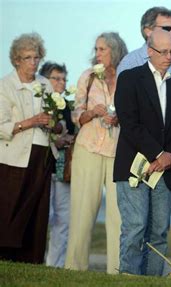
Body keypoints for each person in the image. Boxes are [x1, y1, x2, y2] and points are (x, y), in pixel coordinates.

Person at [114, 29, 171, 276]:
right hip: (133, 166)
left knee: (159, 232)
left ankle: (152, 281)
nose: (168, 57)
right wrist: (157, 153)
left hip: (165, 170)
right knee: (135, 227)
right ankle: (128, 278)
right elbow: (128, 121)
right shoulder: (129, 78)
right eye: (163, 52)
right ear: (149, 51)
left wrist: (168, 156)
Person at [65, 32, 127, 274]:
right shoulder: (87, 77)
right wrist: (93, 112)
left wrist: (119, 116)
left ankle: (117, 270)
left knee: (118, 214)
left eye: (103, 49)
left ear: (115, 51)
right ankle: (74, 267)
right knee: (82, 211)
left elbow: (133, 113)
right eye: (96, 49)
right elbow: (75, 115)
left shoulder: (126, 78)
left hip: (116, 152)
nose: (97, 53)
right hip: (88, 148)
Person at [116, 6, 171, 186]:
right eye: (167, 28)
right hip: (138, 152)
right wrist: (157, 153)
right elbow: (126, 114)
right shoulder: (130, 63)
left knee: (163, 213)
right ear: (148, 31)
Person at [0, 32, 56, 263]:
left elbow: (55, 119)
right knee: (10, 208)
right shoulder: (5, 86)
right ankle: (4, 254)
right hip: (13, 157)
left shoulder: (45, 84)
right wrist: (31, 122)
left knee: (38, 210)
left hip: (42, 154)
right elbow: (1, 126)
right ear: (16, 60)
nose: (33, 62)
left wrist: (56, 124)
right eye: (27, 58)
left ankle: (32, 258)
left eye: (36, 57)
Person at [39, 61, 75, 268]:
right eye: (56, 78)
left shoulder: (68, 107)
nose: (61, 82)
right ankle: (35, 257)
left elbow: (72, 130)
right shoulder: (39, 104)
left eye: (63, 79)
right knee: (45, 216)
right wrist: (54, 140)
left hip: (62, 170)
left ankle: (55, 264)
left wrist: (68, 138)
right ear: (45, 80)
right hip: (42, 168)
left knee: (63, 218)